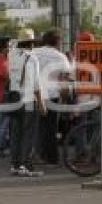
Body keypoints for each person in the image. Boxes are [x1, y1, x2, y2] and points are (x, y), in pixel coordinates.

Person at [7, 28, 45, 177]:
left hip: (14, 96)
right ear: (30, 43)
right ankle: (25, 165)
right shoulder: (32, 58)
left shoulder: (11, 55)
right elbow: (36, 84)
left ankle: (15, 164)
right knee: (28, 133)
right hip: (28, 98)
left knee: (16, 133)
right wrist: (41, 103)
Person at [32, 29, 71, 165]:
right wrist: (65, 100)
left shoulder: (33, 53)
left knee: (36, 127)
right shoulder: (61, 57)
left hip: (34, 95)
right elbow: (64, 81)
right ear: (57, 42)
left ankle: (35, 155)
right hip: (52, 96)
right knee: (50, 129)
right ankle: (51, 157)